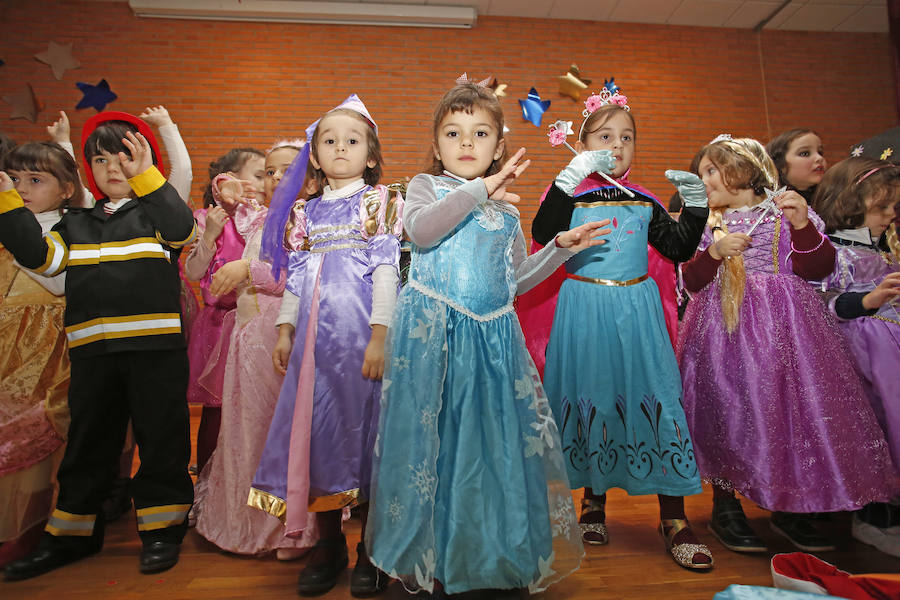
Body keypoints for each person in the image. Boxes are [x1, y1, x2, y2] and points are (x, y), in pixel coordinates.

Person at [366, 81, 609, 595]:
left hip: (493, 344)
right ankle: (433, 557)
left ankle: (497, 555)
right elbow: (425, 232)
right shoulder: (425, 189)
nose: (467, 143)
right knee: (439, 448)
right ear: (437, 146)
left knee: (493, 450)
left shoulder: (510, 213)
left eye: (480, 132)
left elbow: (514, 281)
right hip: (437, 341)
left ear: (499, 145)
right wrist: (479, 190)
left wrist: (560, 249)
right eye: (453, 133)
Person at [678, 137, 897, 555]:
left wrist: (802, 226)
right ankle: (727, 505)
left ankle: (792, 505)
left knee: (786, 411)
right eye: (700, 172)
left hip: (786, 330)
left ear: (743, 169)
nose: (703, 180)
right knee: (727, 409)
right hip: (723, 330)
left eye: (711, 171)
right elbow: (690, 282)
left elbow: (820, 268)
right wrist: (715, 254)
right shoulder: (707, 221)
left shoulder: (784, 211)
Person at [1, 112, 196, 580]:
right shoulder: (76, 223)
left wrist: (146, 175)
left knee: (161, 438)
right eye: (101, 159)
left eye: (125, 157)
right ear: (87, 169)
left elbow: (181, 228)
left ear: (143, 160)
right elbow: (39, 258)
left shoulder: (157, 212)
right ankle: (72, 535)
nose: (113, 168)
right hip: (91, 352)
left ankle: (162, 530)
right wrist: (7, 200)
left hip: (154, 349)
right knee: (87, 444)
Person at [250, 95, 401, 597]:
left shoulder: (379, 203)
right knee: (319, 439)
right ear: (313, 156)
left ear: (371, 156)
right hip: (314, 350)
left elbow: (385, 272)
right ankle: (328, 544)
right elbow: (295, 280)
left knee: (368, 437)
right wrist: (285, 331)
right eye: (329, 141)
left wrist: (381, 336)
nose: (340, 148)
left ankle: (372, 550)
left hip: (361, 344)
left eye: (352, 141)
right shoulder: (303, 213)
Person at [193, 140, 318, 559]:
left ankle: (288, 527)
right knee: (245, 425)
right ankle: (239, 519)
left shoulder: (309, 219)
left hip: (283, 333)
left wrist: (247, 268)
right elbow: (224, 187)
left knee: (278, 428)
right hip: (248, 337)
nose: (277, 178)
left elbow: (299, 276)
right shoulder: (262, 217)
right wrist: (230, 184)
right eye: (269, 172)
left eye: (288, 170)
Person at [811, 157, 900, 557]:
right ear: (850, 202)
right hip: (864, 355)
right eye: (882, 207)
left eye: (893, 207)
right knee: (878, 428)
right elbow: (820, 300)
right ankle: (875, 518)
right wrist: (868, 299)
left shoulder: (880, 246)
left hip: (888, 349)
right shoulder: (833, 251)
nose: (889, 215)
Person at [0, 141, 83, 567]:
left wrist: (14, 222)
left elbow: (58, 283)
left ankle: (28, 524)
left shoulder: (68, 227)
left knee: (33, 429)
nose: (22, 189)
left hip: (46, 350)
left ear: (67, 189)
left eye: (35, 180)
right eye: (14, 180)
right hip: (5, 344)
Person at [183, 147, 264, 473]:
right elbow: (193, 272)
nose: (262, 183)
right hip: (219, 327)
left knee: (253, 410)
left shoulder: (261, 218)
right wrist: (211, 236)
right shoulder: (208, 219)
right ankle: (205, 482)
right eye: (258, 175)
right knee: (215, 411)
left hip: (255, 323)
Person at [767, 129, 827, 204]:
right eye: (805, 153)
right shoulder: (772, 207)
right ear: (780, 164)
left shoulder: (832, 200)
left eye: (820, 152)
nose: (819, 158)